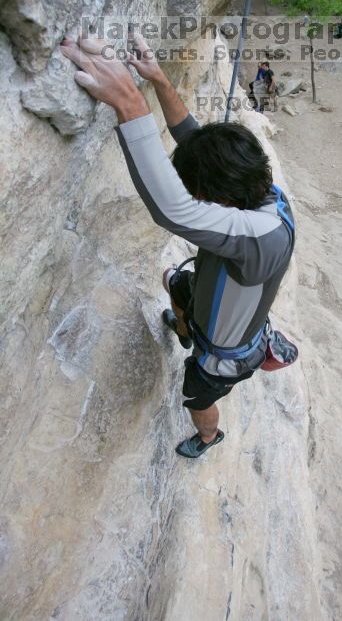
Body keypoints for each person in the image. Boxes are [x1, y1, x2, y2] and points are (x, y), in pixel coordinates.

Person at [61, 34, 295, 459]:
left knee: (198, 398)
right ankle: (185, 328)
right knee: (175, 280)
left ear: (222, 202)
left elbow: (173, 210)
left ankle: (209, 436)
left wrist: (129, 102)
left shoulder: (261, 240)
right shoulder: (260, 192)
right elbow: (198, 143)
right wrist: (159, 80)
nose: (200, 202)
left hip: (224, 356)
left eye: (203, 197)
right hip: (209, 296)